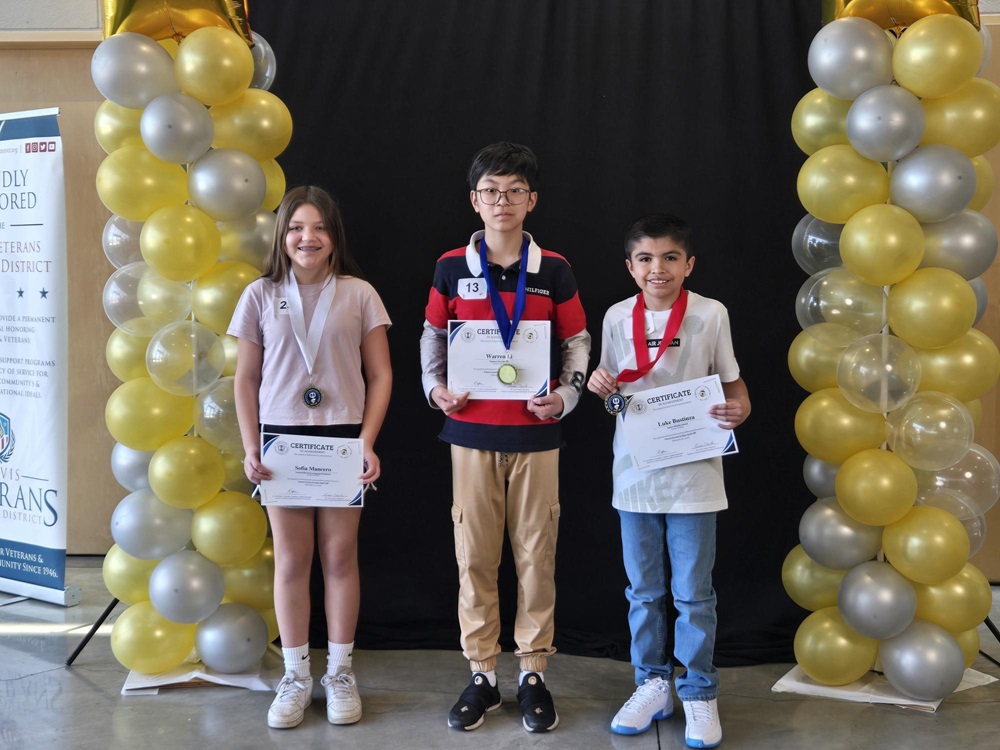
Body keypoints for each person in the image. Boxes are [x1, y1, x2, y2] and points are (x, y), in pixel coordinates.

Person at [419, 142, 590, 733]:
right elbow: (432, 338)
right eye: (491, 191)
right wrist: (436, 388)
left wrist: (566, 397)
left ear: (532, 201)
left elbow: (577, 343)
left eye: (515, 191)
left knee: (535, 557)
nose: (503, 201)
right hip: (468, 433)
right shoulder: (450, 267)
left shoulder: (554, 270)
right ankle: (483, 674)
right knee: (475, 558)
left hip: (537, 437)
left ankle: (533, 673)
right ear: (475, 200)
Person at [230, 185, 392, 730]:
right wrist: (252, 445)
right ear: (283, 235)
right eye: (297, 227)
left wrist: (367, 441)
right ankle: (297, 676)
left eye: (318, 227)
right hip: (281, 443)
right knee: (293, 561)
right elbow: (247, 378)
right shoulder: (258, 294)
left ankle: (340, 673)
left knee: (340, 555)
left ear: (333, 235)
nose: (308, 237)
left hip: (343, 437)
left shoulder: (360, 293)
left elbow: (381, 375)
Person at [587, 213, 749, 748]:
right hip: (635, 474)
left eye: (670, 257)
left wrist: (738, 409)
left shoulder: (710, 314)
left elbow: (733, 386)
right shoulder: (615, 317)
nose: (658, 268)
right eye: (646, 258)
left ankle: (699, 693)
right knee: (644, 591)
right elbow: (614, 395)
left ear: (689, 264)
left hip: (696, 475)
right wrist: (600, 386)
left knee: (693, 594)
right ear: (630, 266)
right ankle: (652, 684)